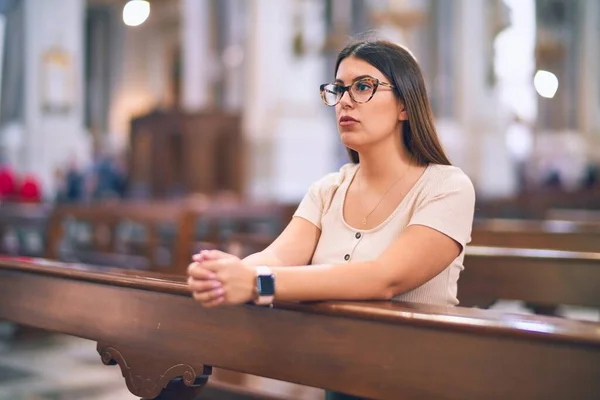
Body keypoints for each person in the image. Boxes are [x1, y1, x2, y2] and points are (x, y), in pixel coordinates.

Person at [188, 39, 475, 399]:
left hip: (419, 380)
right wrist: (225, 271)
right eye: (338, 89)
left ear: (405, 104)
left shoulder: (447, 186)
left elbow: (384, 278)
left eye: (363, 87)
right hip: (340, 375)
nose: (345, 100)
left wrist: (256, 283)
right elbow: (277, 258)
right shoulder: (328, 190)